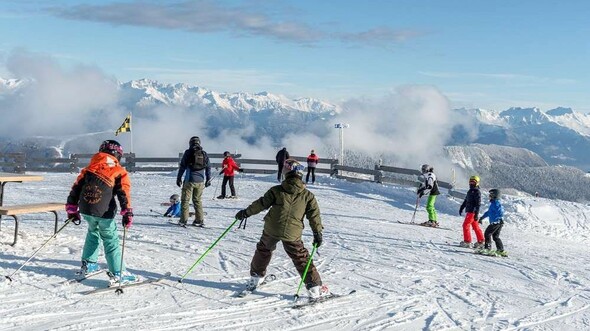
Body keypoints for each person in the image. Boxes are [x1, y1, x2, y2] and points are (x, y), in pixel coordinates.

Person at [234, 159, 329, 299]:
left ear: (287, 174)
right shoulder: (308, 196)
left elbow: (261, 204)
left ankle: (255, 278)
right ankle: (314, 288)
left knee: (263, 250)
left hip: (272, 228)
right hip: (292, 233)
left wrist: (246, 213)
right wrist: (317, 232)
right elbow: (314, 216)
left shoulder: (276, 190)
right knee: (301, 258)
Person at [65, 139, 138, 284]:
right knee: (110, 239)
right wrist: (127, 211)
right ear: (117, 155)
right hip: (104, 212)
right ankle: (118, 272)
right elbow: (123, 192)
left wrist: (72, 208)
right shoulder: (118, 171)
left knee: (93, 232)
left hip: (86, 209)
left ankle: (89, 263)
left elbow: (76, 188)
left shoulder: (89, 169)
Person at [176, 136, 211, 227]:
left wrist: (179, 178)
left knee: (185, 200)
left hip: (189, 180)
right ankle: (199, 220)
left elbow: (182, 166)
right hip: (200, 181)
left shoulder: (188, 153)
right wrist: (208, 179)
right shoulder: (204, 153)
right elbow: (208, 167)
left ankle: (183, 220)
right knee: (197, 200)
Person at [479, 188, 507, 257]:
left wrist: (500, 218)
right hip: (498, 222)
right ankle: (500, 250)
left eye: (491, 195)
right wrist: (482, 218)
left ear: (495, 196)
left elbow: (500, 211)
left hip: (496, 222)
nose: (489, 196)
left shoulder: (496, 203)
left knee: (487, 234)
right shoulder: (493, 204)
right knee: (495, 237)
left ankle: (487, 249)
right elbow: (488, 212)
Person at [459, 175, 484, 248]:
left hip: (472, 212)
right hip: (470, 211)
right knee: (475, 226)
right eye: (470, 182)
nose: (471, 183)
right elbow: (466, 200)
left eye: (473, 182)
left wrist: (476, 214)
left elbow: (478, 204)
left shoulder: (477, 192)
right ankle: (481, 241)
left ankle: (467, 241)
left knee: (465, 225)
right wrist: (462, 207)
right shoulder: (470, 191)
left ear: (477, 183)